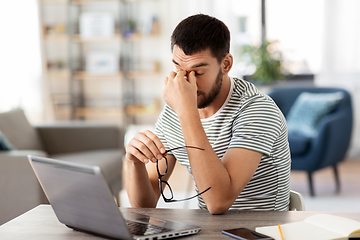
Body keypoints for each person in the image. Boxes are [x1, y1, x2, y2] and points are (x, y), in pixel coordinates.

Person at [125, 14, 291, 214]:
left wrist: (186, 110)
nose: (187, 82)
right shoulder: (175, 109)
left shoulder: (258, 110)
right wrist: (133, 162)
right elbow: (144, 204)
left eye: (198, 72)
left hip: (262, 230)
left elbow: (219, 202)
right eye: (178, 68)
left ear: (226, 64)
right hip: (209, 230)